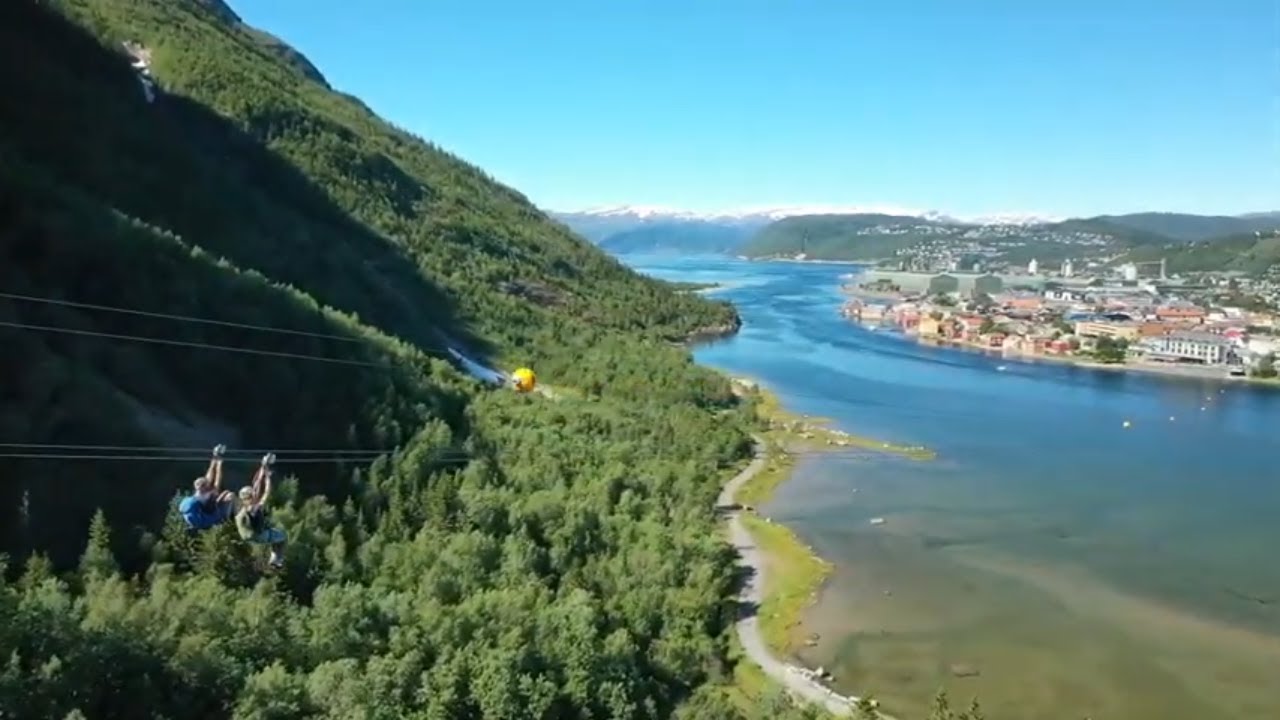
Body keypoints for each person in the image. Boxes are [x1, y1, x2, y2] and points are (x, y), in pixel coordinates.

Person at [235, 453, 287, 569]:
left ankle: (275, 559)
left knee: (275, 534)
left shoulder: (240, 507)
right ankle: (276, 560)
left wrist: (263, 467)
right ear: (251, 496)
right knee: (282, 537)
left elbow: (256, 485)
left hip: (246, 535)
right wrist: (267, 476)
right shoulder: (255, 507)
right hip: (259, 535)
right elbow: (266, 491)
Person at [178, 444, 235, 531]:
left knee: (224, 493)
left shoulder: (198, 494)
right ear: (204, 487)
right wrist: (219, 465)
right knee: (230, 496)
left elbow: (209, 479)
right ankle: (226, 519)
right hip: (212, 516)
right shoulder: (207, 496)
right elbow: (217, 480)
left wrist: (216, 460)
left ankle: (215, 455)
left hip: (205, 513)